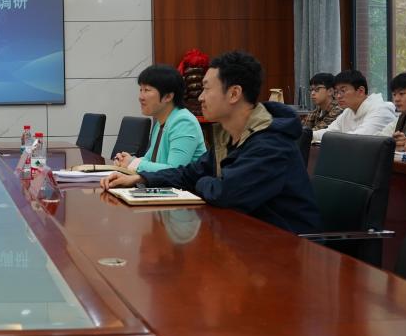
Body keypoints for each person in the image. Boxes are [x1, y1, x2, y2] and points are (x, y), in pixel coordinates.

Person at [101, 51, 320, 235]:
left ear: (234, 93)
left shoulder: (270, 143)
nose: (200, 97)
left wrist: (203, 181)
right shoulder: (229, 136)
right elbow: (189, 173)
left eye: (206, 89)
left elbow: (225, 194)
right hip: (244, 239)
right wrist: (141, 178)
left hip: (287, 251)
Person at [111, 64, 206, 173]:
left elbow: (174, 171)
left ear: (168, 96)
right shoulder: (160, 122)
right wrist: (126, 161)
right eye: (141, 90)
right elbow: (150, 160)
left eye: (147, 90)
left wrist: (133, 163)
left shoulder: (183, 122)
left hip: (187, 184)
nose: (140, 97)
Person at [312, 70, 395, 144]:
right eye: (336, 92)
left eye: (343, 91)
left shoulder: (381, 110)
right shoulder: (348, 111)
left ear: (361, 91)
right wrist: (309, 135)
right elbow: (328, 132)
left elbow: (358, 139)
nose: (338, 96)